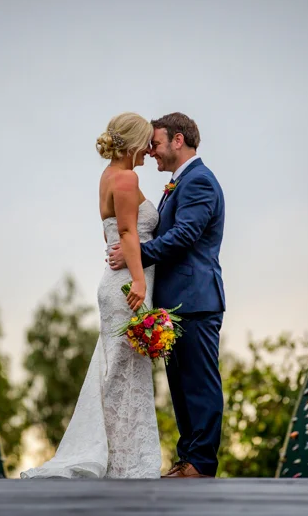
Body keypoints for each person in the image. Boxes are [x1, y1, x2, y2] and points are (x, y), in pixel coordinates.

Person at [20, 112, 161, 479]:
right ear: (132, 143)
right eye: (146, 142)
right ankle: (124, 462)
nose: (149, 150)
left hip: (116, 281)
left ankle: (119, 458)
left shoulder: (108, 176)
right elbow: (127, 233)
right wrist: (139, 281)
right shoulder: (127, 178)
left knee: (117, 372)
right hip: (127, 286)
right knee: (122, 374)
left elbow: (110, 232)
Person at [108, 112, 226, 479]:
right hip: (177, 300)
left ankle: (201, 462)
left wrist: (137, 255)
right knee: (181, 386)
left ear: (178, 140)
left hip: (196, 298)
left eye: (156, 143)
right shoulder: (181, 182)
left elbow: (185, 235)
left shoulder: (199, 181)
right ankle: (188, 458)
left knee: (199, 383)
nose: (151, 151)